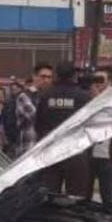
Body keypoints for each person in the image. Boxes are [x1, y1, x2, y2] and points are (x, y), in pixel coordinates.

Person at [36, 62, 92, 196]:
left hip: (51, 152)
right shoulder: (83, 96)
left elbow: (38, 125)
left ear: (56, 75)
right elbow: (90, 125)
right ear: (74, 75)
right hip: (76, 152)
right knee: (76, 196)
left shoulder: (46, 95)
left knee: (49, 195)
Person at [87, 73, 112, 206]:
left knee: (107, 194)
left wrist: (98, 97)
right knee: (85, 193)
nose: (98, 83)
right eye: (95, 80)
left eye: (101, 80)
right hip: (88, 153)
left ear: (109, 82)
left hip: (106, 154)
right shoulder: (87, 98)